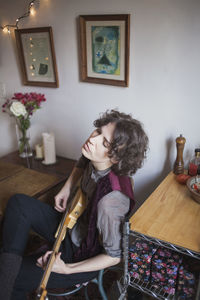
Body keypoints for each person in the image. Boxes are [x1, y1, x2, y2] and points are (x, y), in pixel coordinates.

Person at [0, 109, 148, 300]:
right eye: (98, 131)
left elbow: (114, 256)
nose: (92, 140)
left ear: (116, 158)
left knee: (15, 280)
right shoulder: (93, 154)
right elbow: (82, 161)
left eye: (104, 142)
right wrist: (67, 187)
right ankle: (9, 265)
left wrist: (66, 269)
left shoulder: (110, 201)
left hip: (81, 255)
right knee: (18, 203)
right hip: (71, 227)